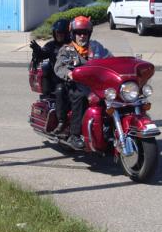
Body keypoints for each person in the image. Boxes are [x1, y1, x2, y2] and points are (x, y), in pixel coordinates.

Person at [54, 16, 111, 150]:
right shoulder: (67, 50)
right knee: (80, 97)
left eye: (85, 32)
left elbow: (109, 58)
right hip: (74, 84)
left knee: (112, 95)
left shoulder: (96, 47)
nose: (82, 36)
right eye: (78, 33)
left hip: (95, 84)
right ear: (73, 34)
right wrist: (69, 73)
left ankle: (109, 128)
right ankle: (74, 135)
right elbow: (59, 67)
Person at [30, 19, 70, 133]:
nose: (59, 35)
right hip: (58, 80)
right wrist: (37, 50)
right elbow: (43, 53)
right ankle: (61, 121)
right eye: (57, 33)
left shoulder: (72, 45)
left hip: (74, 77)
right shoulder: (51, 45)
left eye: (61, 33)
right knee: (61, 90)